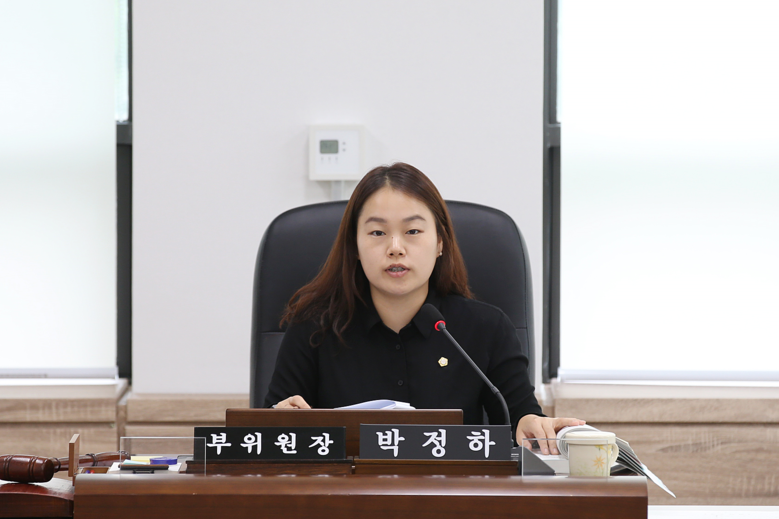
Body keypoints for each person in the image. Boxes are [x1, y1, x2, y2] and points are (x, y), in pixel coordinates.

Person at [264, 162, 584, 453]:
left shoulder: (486, 328)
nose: (395, 248)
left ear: (440, 242)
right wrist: (278, 420)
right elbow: (266, 431)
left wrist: (531, 424)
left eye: (413, 231)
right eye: (377, 232)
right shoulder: (313, 328)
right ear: (355, 247)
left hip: (454, 494)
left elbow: (520, 414)